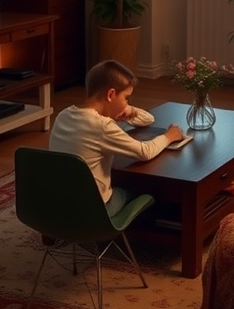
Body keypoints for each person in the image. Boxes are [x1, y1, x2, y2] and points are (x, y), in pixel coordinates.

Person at [49, 59, 184, 215]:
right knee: (144, 189)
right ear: (111, 94)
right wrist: (169, 136)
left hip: (59, 205)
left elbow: (148, 119)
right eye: (126, 98)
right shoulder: (102, 126)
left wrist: (128, 110)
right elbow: (144, 152)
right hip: (94, 212)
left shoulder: (63, 115)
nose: (127, 102)